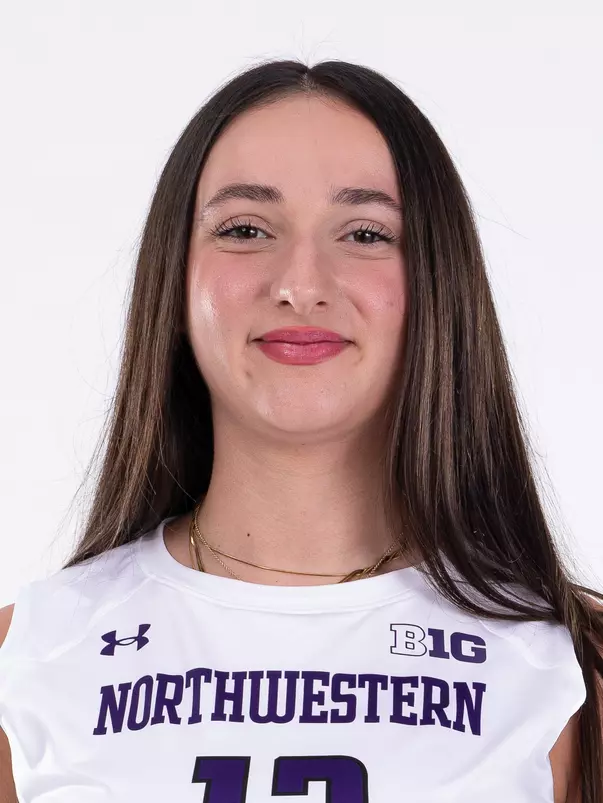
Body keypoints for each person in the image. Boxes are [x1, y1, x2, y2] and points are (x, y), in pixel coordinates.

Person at [0, 58, 601, 803]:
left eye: (364, 232)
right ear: (175, 277)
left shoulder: (568, 661)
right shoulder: (31, 652)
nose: (301, 283)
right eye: (245, 228)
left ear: (437, 280)